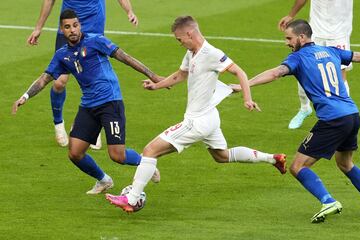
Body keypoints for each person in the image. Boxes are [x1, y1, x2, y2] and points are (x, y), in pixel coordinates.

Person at [232, 19, 360, 223]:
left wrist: (244, 85)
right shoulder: (331, 52)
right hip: (352, 115)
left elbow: (275, 73)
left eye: (289, 38)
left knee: (297, 166)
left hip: (332, 120)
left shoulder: (297, 58)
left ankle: (328, 201)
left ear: (301, 37)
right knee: (345, 163)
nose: (286, 43)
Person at [105, 15, 287, 212]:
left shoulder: (211, 53)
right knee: (222, 156)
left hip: (197, 121)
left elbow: (240, 73)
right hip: (210, 117)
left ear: (189, 33)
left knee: (150, 151)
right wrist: (157, 85)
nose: (179, 43)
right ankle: (273, 159)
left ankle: (131, 199)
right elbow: (180, 74)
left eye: (179, 39)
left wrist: (247, 98)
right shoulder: (192, 53)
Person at [13, 9, 162, 195]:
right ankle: (104, 180)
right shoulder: (62, 55)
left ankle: (145, 163)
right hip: (89, 106)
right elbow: (44, 79)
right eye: (67, 27)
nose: (72, 30)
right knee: (75, 152)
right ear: (62, 30)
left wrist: (153, 75)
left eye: (75, 25)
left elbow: (125, 57)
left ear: (79, 25)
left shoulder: (95, 41)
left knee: (117, 155)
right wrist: (25, 96)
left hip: (110, 102)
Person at [27, 0, 139, 148]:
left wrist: (129, 11)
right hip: (68, 26)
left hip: (94, 26)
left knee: (94, 77)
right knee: (59, 82)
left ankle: (95, 125)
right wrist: (38, 28)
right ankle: (58, 124)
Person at [278, 0, 360, 129]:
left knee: (340, 75)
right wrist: (291, 15)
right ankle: (304, 108)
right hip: (315, 32)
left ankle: (345, 113)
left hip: (339, 34)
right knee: (303, 68)